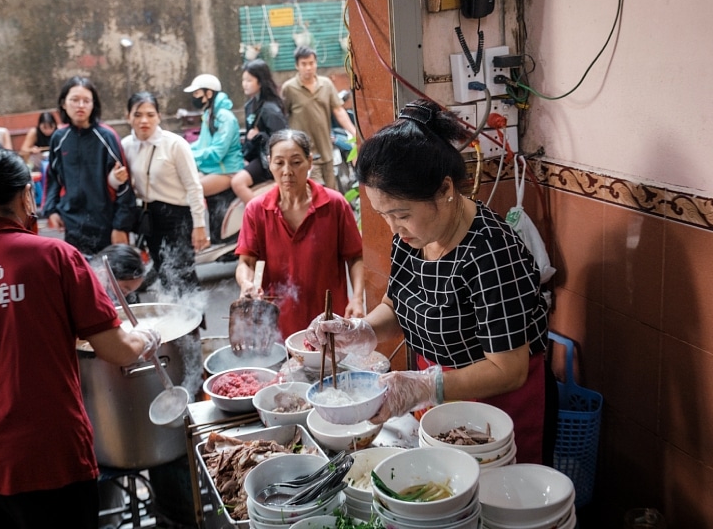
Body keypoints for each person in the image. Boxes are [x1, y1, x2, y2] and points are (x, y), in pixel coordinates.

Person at [305, 100, 551, 465]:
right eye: (384, 214)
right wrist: (360, 330)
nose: (393, 227)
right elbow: (396, 303)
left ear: (445, 190)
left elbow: (508, 369)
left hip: (495, 410)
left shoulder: (491, 253)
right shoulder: (412, 236)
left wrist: (426, 386)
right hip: (438, 397)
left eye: (401, 214)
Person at [0, 147, 161, 529]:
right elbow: (117, 350)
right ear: (27, 195)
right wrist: (146, 335)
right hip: (49, 458)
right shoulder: (54, 257)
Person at [235, 129, 364, 340]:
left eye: (296, 162)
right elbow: (246, 262)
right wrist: (246, 283)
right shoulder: (256, 210)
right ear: (269, 163)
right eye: (279, 163)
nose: (287, 171)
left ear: (310, 161)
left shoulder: (334, 204)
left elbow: (355, 257)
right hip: (276, 324)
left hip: (328, 321)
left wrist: (357, 298)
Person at [119, 91, 208, 293]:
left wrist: (200, 225)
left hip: (177, 217)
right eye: (138, 114)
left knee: (182, 272)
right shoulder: (125, 145)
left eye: (150, 115)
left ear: (159, 116)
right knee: (163, 271)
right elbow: (118, 181)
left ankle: (193, 320)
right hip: (150, 218)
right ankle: (176, 319)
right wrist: (116, 178)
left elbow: (193, 186)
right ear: (128, 116)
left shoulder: (175, 144)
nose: (144, 120)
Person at [43, 76, 137, 255]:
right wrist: (51, 210)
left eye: (86, 101)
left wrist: (121, 226)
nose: (80, 105)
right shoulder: (58, 138)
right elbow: (53, 178)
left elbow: (124, 185)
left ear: (94, 104)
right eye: (75, 100)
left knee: (112, 280)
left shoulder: (107, 136)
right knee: (80, 278)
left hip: (106, 224)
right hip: (72, 224)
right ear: (63, 103)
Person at [281, 46, 357, 191]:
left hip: (326, 151)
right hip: (303, 154)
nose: (308, 68)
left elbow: (338, 110)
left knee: (331, 193)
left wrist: (354, 132)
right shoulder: (289, 88)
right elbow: (282, 116)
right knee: (312, 194)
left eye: (311, 63)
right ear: (297, 66)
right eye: (304, 64)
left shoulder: (326, 84)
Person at [231, 59, 288, 204]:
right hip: (256, 157)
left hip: (269, 161)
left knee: (237, 183)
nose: (245, 84)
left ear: (260, 82)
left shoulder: (270, 109)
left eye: (249, 80)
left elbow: (283, 142)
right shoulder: (250, 105)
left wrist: (259, 136)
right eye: (243, 80)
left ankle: (259, 216)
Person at [183, 73, 244, 197]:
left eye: (196, 93)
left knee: (191, 192)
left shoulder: (224, 118)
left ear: (209, 94)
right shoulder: (209, 114)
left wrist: (191, 155)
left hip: (226, 170)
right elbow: (202, 144)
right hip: (213, 168)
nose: (194, 97)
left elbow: (217, 153)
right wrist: (183, 149)